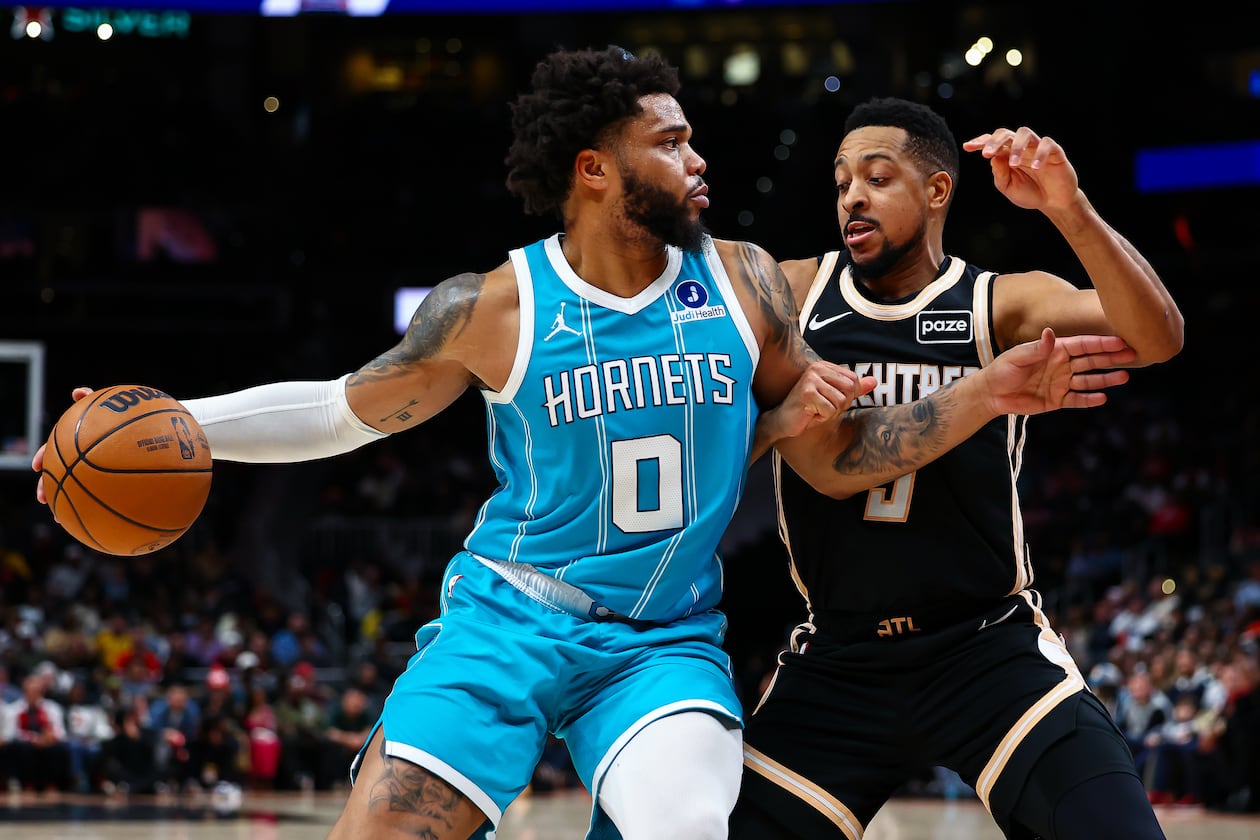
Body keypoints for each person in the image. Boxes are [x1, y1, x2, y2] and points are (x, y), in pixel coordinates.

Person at [35, 52, 1133, 840]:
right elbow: (337, 409)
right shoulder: (497, 304)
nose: (698, 157)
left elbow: (835, 454)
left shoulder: (745, 281)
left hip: (661, 643)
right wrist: (181, 423)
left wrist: (980, 396)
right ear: (595, 169)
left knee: (690, 828)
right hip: (510, 616)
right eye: (670, 140)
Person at [729, 97, 1183, 839]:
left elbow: (1157, 334)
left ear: (938, 190)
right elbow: (807, 458)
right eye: (842, 179)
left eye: (877, 177)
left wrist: (1070, 210)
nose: (852, 196)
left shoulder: (993, 302)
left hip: (987, 650)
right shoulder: (793, 293)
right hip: (841, 658)